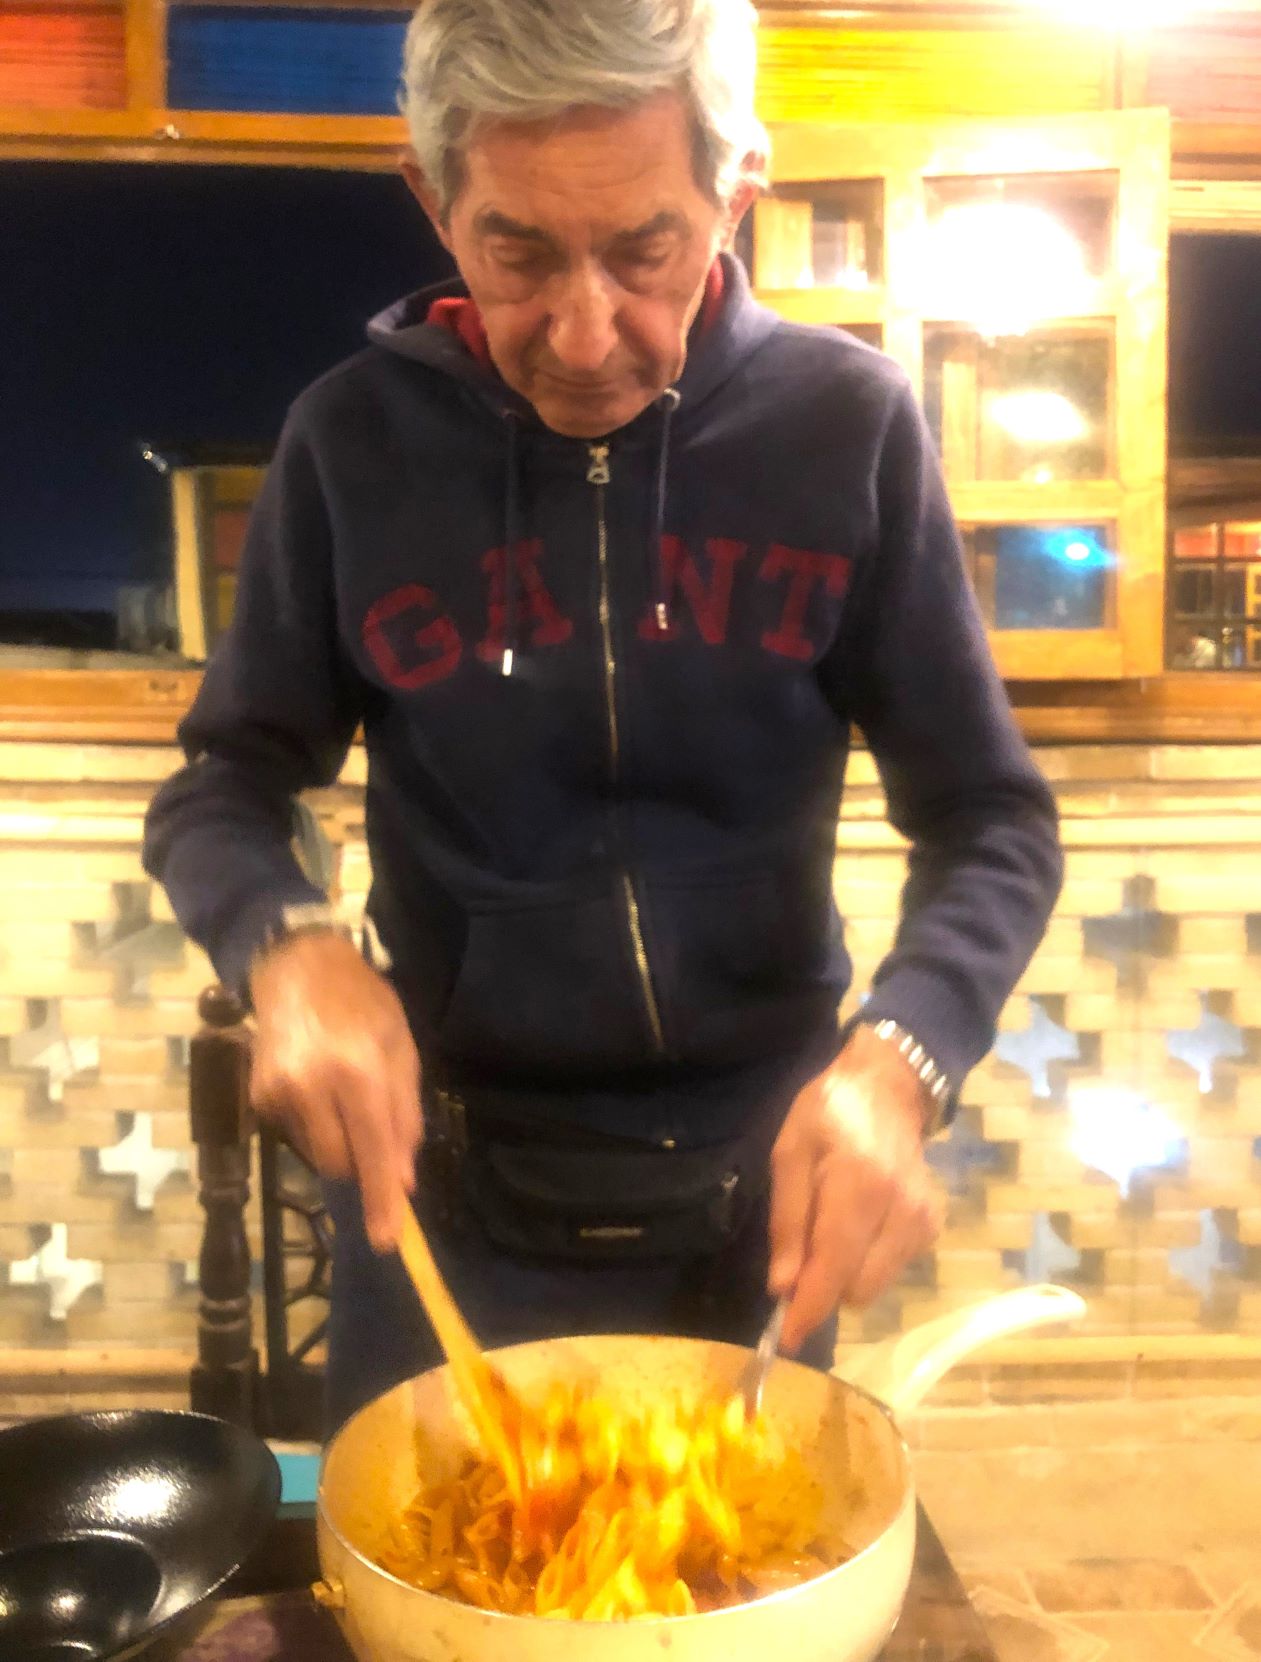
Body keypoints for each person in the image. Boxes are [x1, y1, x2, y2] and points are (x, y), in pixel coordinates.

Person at [143, 0, 1063, 1434]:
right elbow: (223, 785)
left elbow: (989, 818)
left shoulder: (850, 428)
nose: (582, 335)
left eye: (645, 251)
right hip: (442, 1200)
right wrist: (288, 946)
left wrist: (907, 1055)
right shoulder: (348, 444)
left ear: (731, 193)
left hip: (754, 1205)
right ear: (432, 201)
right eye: (516, 248)